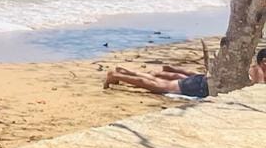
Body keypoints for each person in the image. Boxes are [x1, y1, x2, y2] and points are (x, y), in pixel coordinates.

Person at [104, 47, 266, 97]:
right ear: (261, 62)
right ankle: (116, 75)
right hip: (202, 87)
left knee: (165, 81)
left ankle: (124, 71)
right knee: (159, 86)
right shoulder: (259, 73)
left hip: (207, 82)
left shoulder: (255, 69)